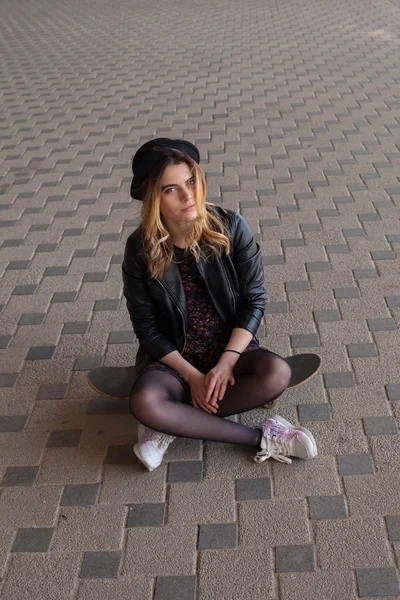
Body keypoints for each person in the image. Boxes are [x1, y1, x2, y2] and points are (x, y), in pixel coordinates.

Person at [123, 138, 317, 472]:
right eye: (171, 189)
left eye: (191, 182)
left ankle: (169, 422)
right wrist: (193, 376)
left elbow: (254, 299)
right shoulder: (140, 248)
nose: (188, 196)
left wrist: (227, 362)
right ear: (154, 198)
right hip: (174, 359)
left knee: (276, 374)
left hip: (228, 348)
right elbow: (146, 327)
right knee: (145, 401)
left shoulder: (230, 226)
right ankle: (262, 437)